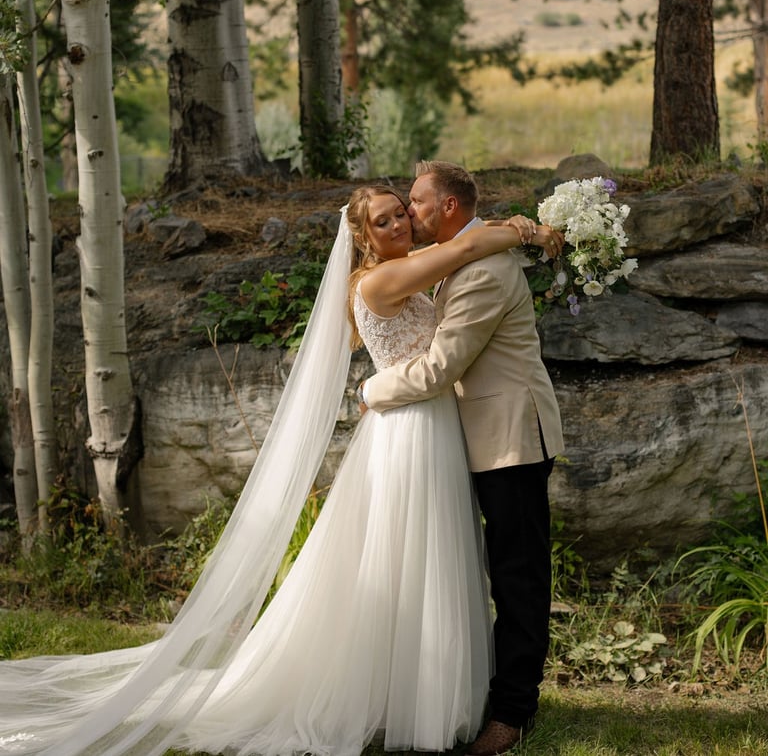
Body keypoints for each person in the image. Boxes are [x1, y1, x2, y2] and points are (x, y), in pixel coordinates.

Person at [0, 183, 560, 756]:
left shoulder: (411, 263)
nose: (400, 223)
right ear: (362, 237)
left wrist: (519, 228)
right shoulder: (381, 279)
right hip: (411, 427)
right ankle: (419, 700)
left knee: (428, 558)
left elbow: (462, 244)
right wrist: (531, 232)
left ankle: (427, 694)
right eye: (385, 220)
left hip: (433, 426)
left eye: (402, 212)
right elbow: (463, 250)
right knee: (414, 556)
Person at [362, 162, 566, 755]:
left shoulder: (483, 272)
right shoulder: (460, 257)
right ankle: (472, 694)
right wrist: (525, 229)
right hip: (470, 437)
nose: (409, 213)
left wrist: (371, 390)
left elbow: (439, 368)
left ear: (448, 207)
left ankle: (512, 714)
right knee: (482, 568)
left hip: (509, 438)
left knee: (518, 575)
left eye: (416, 203)